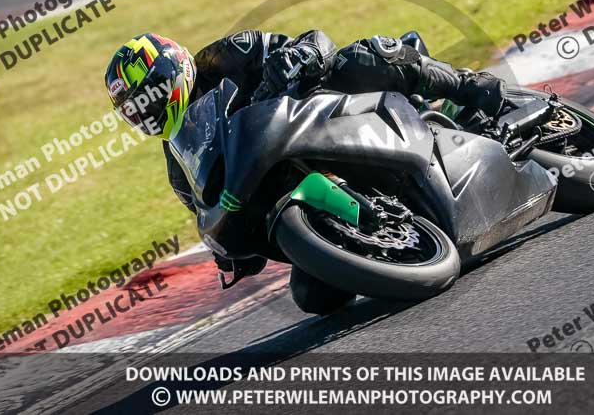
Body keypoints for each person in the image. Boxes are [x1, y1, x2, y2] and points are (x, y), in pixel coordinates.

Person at [104, 30, 505, 308]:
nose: (147, 113)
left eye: (149, 98)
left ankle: (469, 86)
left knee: (365, 56)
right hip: (287, 180)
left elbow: (316, 41)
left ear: (171, 71)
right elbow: (210, 209)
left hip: (326, 115)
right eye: (136, 111)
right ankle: (385, 238)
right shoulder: (178, 164)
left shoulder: (226, 55)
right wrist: (230, 251)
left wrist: (298, 56)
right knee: (313, 297)